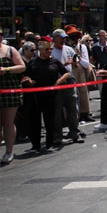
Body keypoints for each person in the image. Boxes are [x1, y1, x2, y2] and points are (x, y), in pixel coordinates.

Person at [24, 37, 69, 153]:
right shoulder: (33, 62)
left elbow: (66, 73)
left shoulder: (54, 61)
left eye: (50, 49)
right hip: (35, 96)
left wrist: (59, 81)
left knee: (50, 121)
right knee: (35, 121)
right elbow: (25, 76)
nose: (49, 51)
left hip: (50, 95)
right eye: (47, 49)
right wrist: (29, 80)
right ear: (41, 49)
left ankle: (49, 144)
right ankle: (36, 145)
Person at [0, 33, 26, 164]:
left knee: (8, 122)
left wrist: (7, 69)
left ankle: (9, 151)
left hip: (9, 90)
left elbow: (22, 66)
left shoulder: (10, 50)